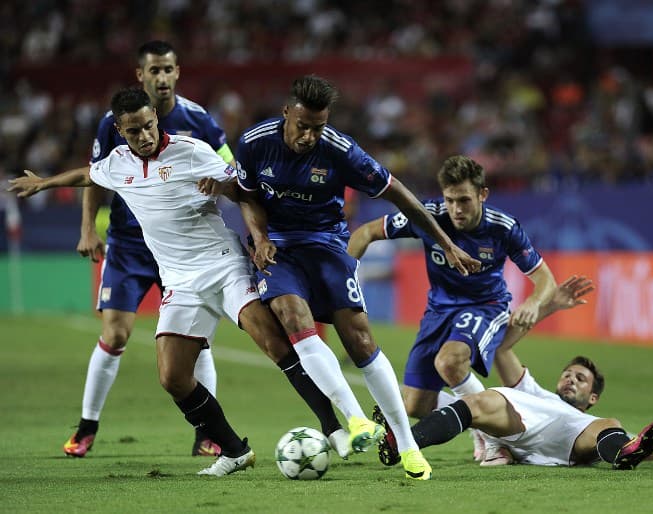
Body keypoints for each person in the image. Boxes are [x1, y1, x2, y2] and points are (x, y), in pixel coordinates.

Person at [8, 87, 349, 476]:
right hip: (180, 282)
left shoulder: (191, 150)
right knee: (172, 377)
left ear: (156, 118)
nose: (145, 136)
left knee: (273, 343)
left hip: (223, 265)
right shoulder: (117, 162)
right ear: (120, 130)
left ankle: (333, 426)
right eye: (134, 131)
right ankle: (234, 450)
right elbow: (90, 175)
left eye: (149, 126)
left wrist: (250, 225)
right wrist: (45, 182)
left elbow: (245, 191)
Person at [232, 75, 482, 480]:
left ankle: (407, 443)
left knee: (361, 340)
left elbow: (399, 192)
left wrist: (446, 243)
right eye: (303, 126)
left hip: (328, 244)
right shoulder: (255, 143)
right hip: (278, 246)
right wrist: (259, 237)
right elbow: (247, 195)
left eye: (318, 127)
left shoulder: (341, 150)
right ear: (286, 115)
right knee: (293, 316)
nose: (310, 136)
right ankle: (355, 419)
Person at [371, 280, 653, 469]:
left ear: (591, 396)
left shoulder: (590, 417)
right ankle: (405, 443)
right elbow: (503, 347)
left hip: (568, 441)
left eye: (581, 379)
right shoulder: (532, 391)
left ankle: (623, 454)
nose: (571, 379)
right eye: (569, 374)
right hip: (523, 426)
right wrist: (548, 307)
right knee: (481, 399)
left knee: (612, 428)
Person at [68, 40, 230, 458]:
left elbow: (232, 172)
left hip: (184, 249)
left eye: (168, 69)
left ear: (177, 72)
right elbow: (94, 177)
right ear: (140, 75)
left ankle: (207, 435)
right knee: (115, 333)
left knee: (197, 344)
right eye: (153, 70)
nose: (162, 77)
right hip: (129, 245)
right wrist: (88, 228)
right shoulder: (113, 122)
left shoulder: (200, 121)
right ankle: (87, 427)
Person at [348, 154, 557, 460]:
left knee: (450, 362)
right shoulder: (428, 216)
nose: (457, 209)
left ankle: (495, 438)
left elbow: (546, 279)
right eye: (450, 200)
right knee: (416, 405)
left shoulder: (502, 227)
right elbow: (366, 232)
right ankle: (487, 417)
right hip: (438, 311)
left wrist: (534, 302)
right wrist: (345, 275)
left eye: (465, 200)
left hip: (485, 306)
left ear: (482, 194)